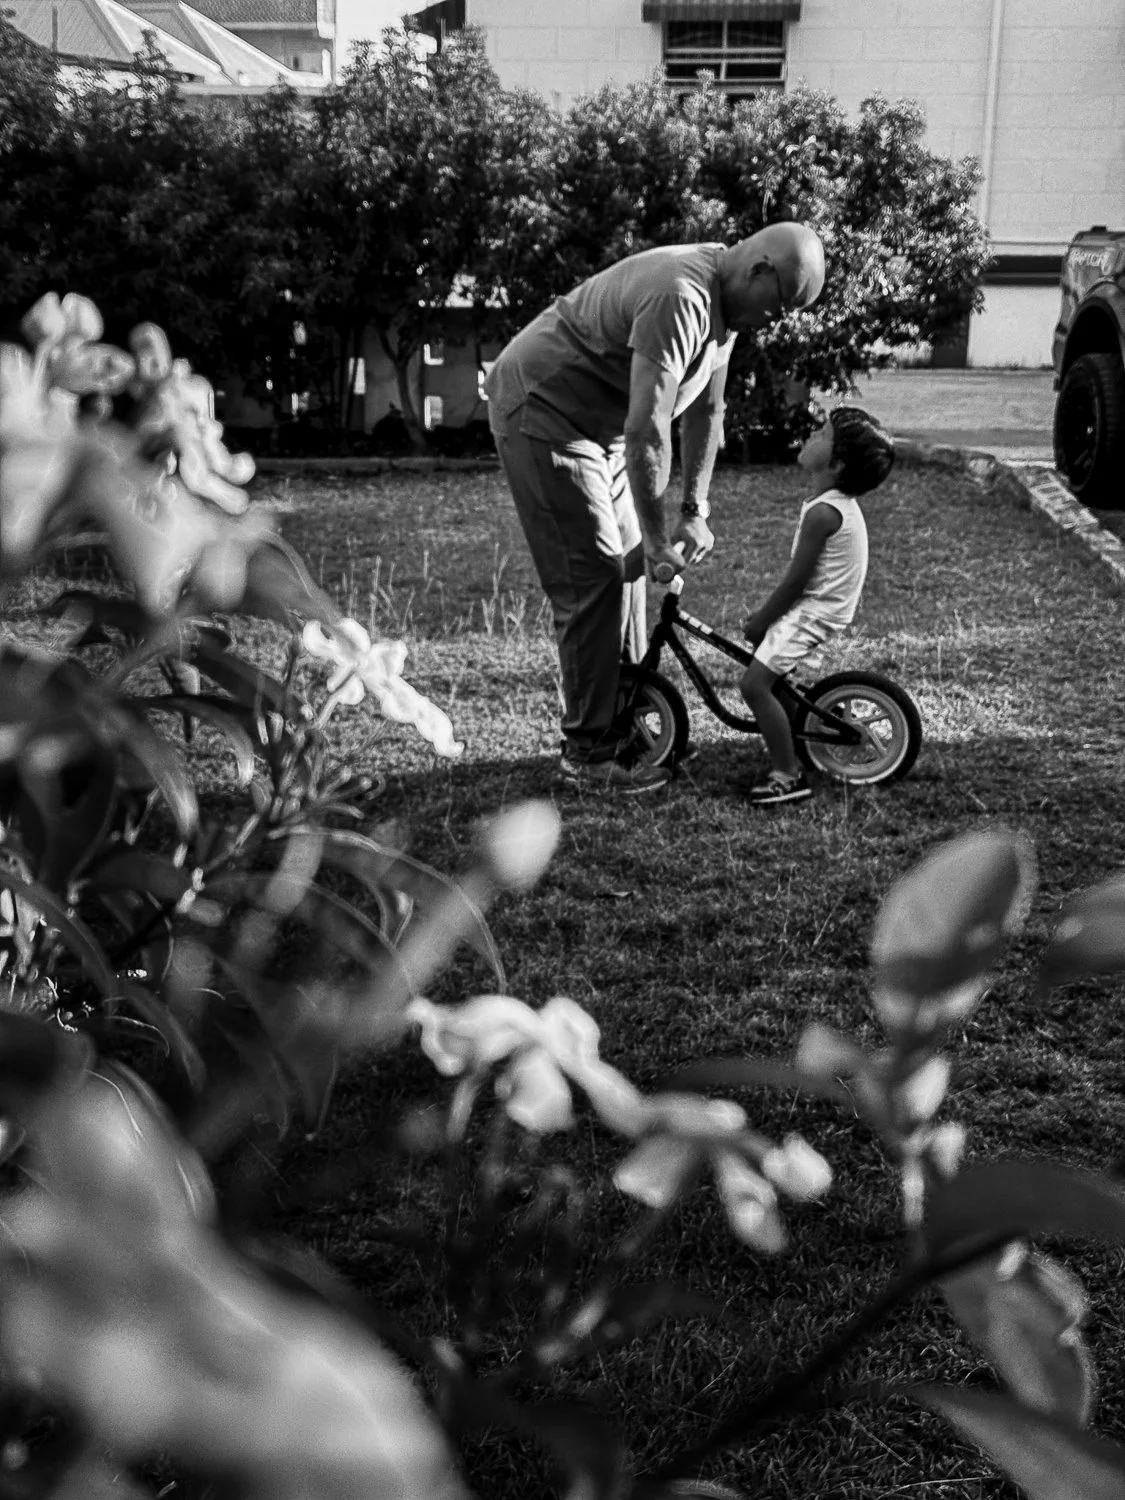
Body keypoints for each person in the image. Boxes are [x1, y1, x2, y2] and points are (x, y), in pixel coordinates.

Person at [485, 222, 827, 795]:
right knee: (593, 577)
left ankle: (621, 721)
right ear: (759, 269)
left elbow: (706, 413)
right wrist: (656, 535)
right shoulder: (681, 294)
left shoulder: (727, 312)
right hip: (543, 411)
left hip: (599, 431)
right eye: (780, 306)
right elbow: (647, 426)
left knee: (626, 572)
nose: (777, 321)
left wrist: (694, 509)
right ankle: (589, 754)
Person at [738, 405, 896, 807]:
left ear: (838, 463)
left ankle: (788, 775)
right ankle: (793, 732)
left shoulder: (825, 513)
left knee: (754, 685)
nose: (812, 435)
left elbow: (797, 582)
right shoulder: (828, 503)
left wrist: (762, 620)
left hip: (817, 609)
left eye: (822, 434)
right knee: (774, 676)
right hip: (822, 603)